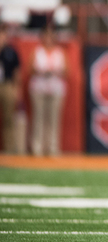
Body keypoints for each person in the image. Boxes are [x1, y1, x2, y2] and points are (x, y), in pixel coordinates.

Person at [28, 26, 67, 157]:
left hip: (55, 88)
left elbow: (67, 71)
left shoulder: (60, 53)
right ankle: (37, 147)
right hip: (39, 87)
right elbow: (30, 70)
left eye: (51, 36)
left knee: (54, 119)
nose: (49, 39)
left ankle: (52, 147)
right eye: (46, 36)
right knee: (38, 118)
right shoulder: (37, 51)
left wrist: (55, 71)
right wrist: (41, 71)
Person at [0, 26, 22, 153]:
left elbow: (17, 71)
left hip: (7, 85)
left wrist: (17, 89)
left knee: (9, 118)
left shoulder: (11, 51)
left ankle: (9, 149)